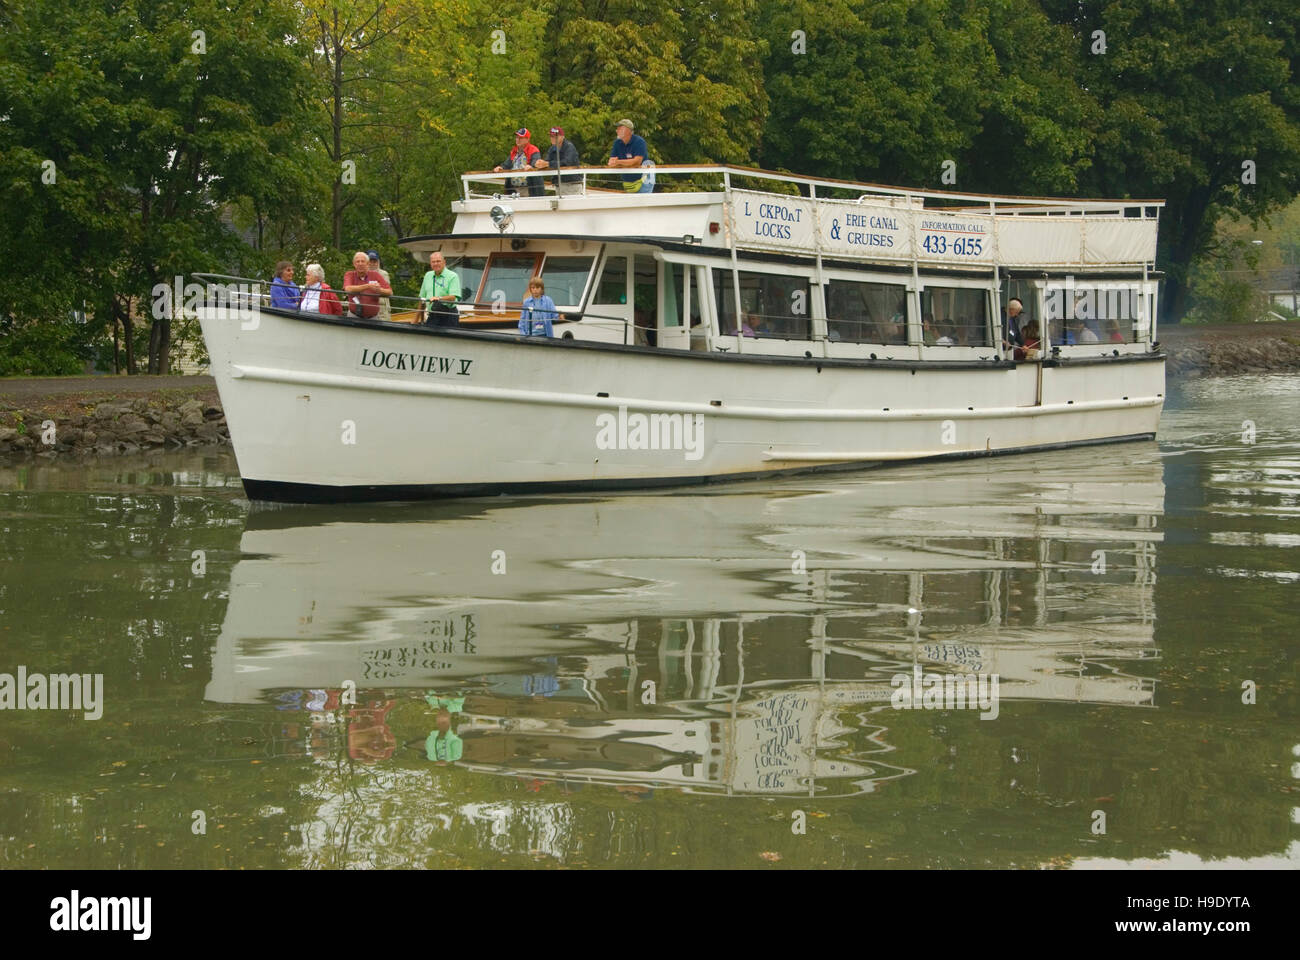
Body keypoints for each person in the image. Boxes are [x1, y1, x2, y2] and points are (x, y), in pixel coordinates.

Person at [493, 127, 543, 197]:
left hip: (529, 189)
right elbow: (507, 164)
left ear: (527, 139)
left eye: (521, 138)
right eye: (517, 137)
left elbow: (536, 162)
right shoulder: (514, 151)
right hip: (513, 189)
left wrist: (532, 166)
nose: (518, 140)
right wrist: (500, 167)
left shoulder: (533, 150)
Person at [343, 250, 392, 320]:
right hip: (353, 316)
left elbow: (389, 292)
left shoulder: (376, 275)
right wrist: (368, 286)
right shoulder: (349, 274)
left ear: (367, 264)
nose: (360, 264)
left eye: (363, 261)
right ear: (354, 264)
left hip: (373, 318)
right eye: (357, 261)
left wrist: (379, 290)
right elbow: (348, 289)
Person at [534, 126, 583, 196]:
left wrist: (547, 164)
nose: (552, 138)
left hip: (572, 184)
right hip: (559, 185)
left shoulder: (569, 147)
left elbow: (566, 162)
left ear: (562, 137)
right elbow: (547, 161)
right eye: (551, 136)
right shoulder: (552, 148)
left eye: (555, 136)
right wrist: (539, 163)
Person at [608, 119, 652, 193]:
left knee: (642, 204)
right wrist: (613, 162)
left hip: (644, 180)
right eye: (617, 128)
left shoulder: (639, 142)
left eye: (619, 128)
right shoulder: (617, 143)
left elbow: (637, 162)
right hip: (628, 182)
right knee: (631, 204)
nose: (616, 131)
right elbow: (611, 162)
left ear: (628, 130)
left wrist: (618, 162)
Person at [419, 251, 461, 326]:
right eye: (433, 262)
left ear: (444, 262)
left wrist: (439, 298)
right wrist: (416, 319)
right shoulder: (427, 275)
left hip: (449, 315)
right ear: (430, 263)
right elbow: (422, 298)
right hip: (433, 315)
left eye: (438, 261)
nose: (436, 264)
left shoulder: (453, 276)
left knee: (447, 338)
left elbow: (453, 297)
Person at [368, 251, 391, 321]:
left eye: (374, 261)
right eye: (370, 261)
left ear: (378, 262)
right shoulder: (363, 273)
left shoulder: (384, 274)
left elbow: (387, 290)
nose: (372, 264)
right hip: (368, 306)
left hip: (382, 307)